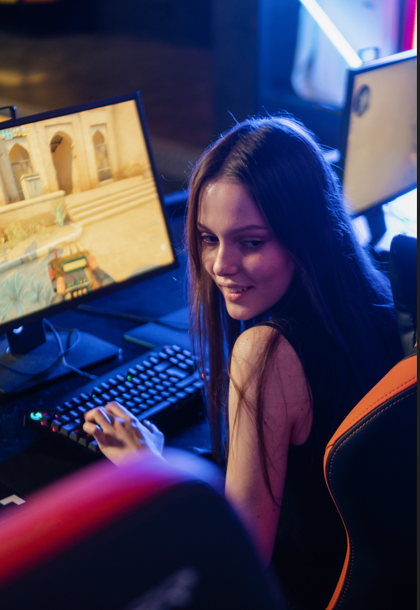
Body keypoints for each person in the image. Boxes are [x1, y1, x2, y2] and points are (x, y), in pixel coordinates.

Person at [83, 116, 402, 609]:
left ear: (307, 235)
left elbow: (237, 554)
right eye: (209, 237)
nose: (219, 265)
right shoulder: (372, 295)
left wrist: (150, 467)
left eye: (251, 242)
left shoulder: (266, 354)